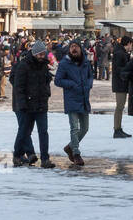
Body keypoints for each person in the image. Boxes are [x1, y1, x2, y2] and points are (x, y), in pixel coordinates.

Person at [10, 40, 54, 168]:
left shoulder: (44, 66)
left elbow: (46, 82)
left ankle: (45, 159)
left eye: (43, 54)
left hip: (41, 104)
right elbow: (19, 87)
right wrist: (22, 104)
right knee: (24, 131)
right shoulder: (23, 65)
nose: (42, 57)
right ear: (34, 53)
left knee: (43, 132)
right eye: (39, 54)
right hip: (27, 105)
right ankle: (17, 154)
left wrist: (47, 93)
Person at [55, 39, 94, 167]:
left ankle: (70, 147)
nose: (74, 49)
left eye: (76, 46)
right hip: (71, 98)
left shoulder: (86, 62)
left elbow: (90, 76)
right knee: (74, 128)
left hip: (83, 98)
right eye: (72, 47)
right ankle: (76, 153)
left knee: (85, 128)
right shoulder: (64, 63)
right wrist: (71, 84)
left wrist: (88, 85)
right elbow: (58, 80)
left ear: (80, 48)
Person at [111, 36, 133, 138]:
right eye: (131, 45)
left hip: (121, 83)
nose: (131, 47)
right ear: (128, 43)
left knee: (120, 106)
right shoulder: (119, 53)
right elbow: (118, 69)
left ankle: (118, 129)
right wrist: (128, 70)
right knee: (120, 107)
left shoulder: (121, 53)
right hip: (120, 83)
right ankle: (117, 129)